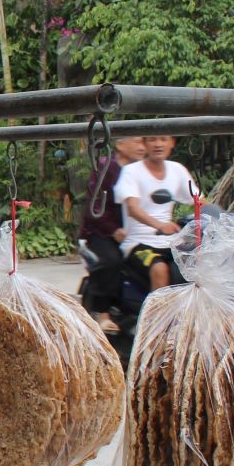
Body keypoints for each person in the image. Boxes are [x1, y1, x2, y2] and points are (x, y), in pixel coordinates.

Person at [79, 136, 146, 332]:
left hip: (138, 231)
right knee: (111, 260)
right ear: (119, 144)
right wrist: (113, 229)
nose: (142, 147)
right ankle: (102, 312)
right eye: (136, 142)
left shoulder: (145, 169)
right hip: (102, 231)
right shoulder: (105, 167)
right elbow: (95, 206)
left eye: (144, 142)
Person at [116, 135, 198, 293]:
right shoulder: (131, 171)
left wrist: (231, 217)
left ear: (172, 142)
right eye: (152, 139)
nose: (158, 144)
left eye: (163, 139)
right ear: (145, 143)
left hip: (171, 243)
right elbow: (132, 208)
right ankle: (156, 310)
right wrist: (160, 225)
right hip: (138, 243)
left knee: (197, 266)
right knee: (159, 269)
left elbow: (199, 201)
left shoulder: (177, 169)